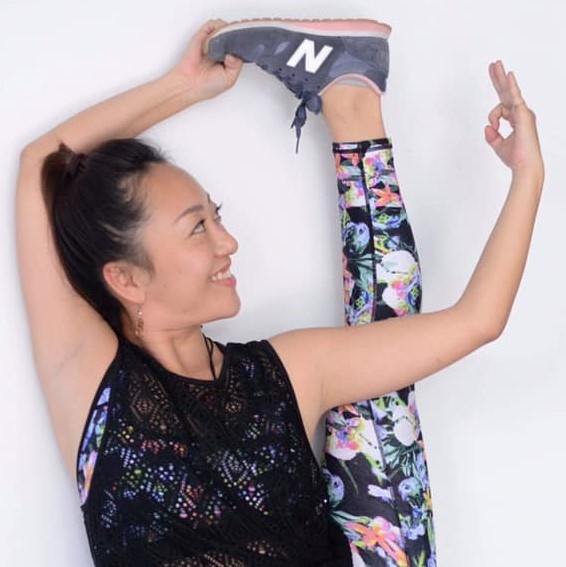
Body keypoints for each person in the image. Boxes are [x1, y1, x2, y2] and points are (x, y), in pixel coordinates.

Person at [16, 17, 543, 567]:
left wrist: (528, 176)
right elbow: (41, 163)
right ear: (125, 278)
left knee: (380, 387)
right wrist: (185, 87)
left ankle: (352, 98)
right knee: (378, 378)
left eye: (217, 217)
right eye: (197, 228)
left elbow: (478, 320)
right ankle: (352, 100)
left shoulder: (286, 373)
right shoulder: (90, 381)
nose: (229, 242)